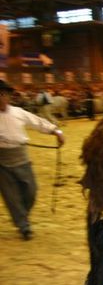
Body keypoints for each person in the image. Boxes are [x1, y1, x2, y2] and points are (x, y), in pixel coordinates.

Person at [0, 80, 65, 240]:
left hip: (22, 158)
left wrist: (56, 131)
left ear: (8, 96)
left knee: (31, 191)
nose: (1, 98)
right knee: (11, 196)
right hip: (2, 161)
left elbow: (37, 122)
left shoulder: (18, 112)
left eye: (3, 94)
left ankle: (21, 216)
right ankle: (24, 226)